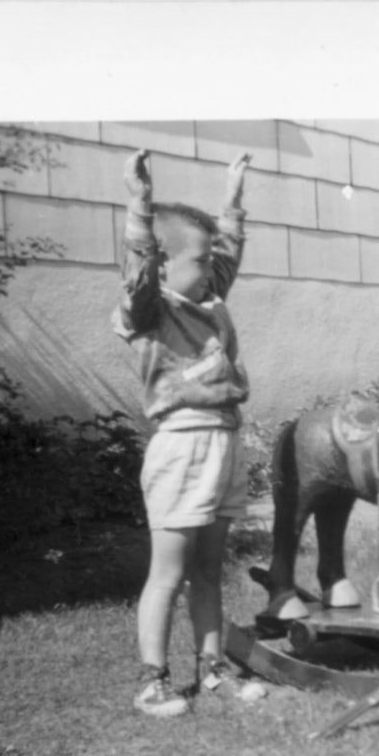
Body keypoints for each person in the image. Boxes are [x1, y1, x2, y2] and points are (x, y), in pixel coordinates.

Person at [113, 147, 265, 716]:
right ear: (161, 267)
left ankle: (213, 671)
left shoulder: (209, 299)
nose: (212, 270)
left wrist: (232, 198)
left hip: (224, 444)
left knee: (207, 571)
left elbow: (226, 254)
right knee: (169, 573)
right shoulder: (148, 308)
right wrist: (140, 202)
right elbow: (140, 259)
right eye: (198, 262)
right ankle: (153, 680)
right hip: (181, 448)